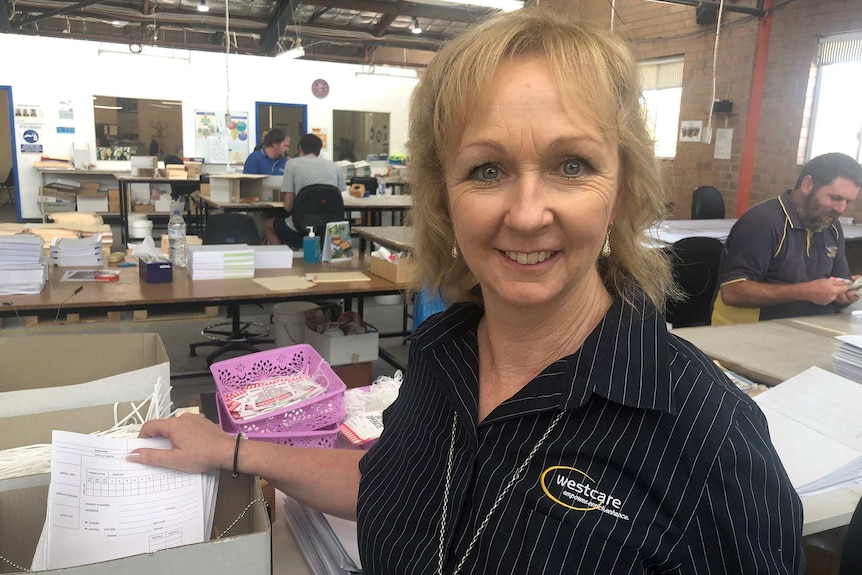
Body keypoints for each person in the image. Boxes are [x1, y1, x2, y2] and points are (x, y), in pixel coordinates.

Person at [131, 10, 804, 574]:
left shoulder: (709, 442)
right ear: (444, 196)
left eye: (572, 164)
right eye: (487, 168)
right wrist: (233, 450)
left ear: (620, 186)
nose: (527, 211)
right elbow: (386, 486)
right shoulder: (441, 352)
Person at [712, 152, 862, 324]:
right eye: (835, 198)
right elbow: (732, 292)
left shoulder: (832, 227)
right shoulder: (763, 222)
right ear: (807, 185)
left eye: (847, 202)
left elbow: (837, 291)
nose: (841, 209)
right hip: (751, 334)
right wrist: (804, 291)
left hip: (810, 331)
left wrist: (844, 294)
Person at [263, 133, 345, 246]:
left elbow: (288, 207)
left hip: (299, 228)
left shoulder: (292, 164)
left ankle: (282, 258)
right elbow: (338, 201)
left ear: (300, 148)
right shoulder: (334, 166)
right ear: (319, 150)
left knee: (268, 224)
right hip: (329, 230)